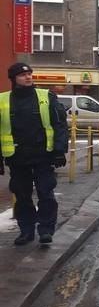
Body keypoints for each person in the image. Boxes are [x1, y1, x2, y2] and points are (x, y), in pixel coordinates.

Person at [0, 63, 68, 245]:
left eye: (29, 73)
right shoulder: (3, 100)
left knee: (46, 193)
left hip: (43, 155)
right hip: (17, 156)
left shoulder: (46, 97)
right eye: (22, 75)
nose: (28, 77)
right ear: (13, 79)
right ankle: (26, 231)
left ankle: (46, 230)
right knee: (22, 196)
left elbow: (59, 124)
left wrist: (60, 150)